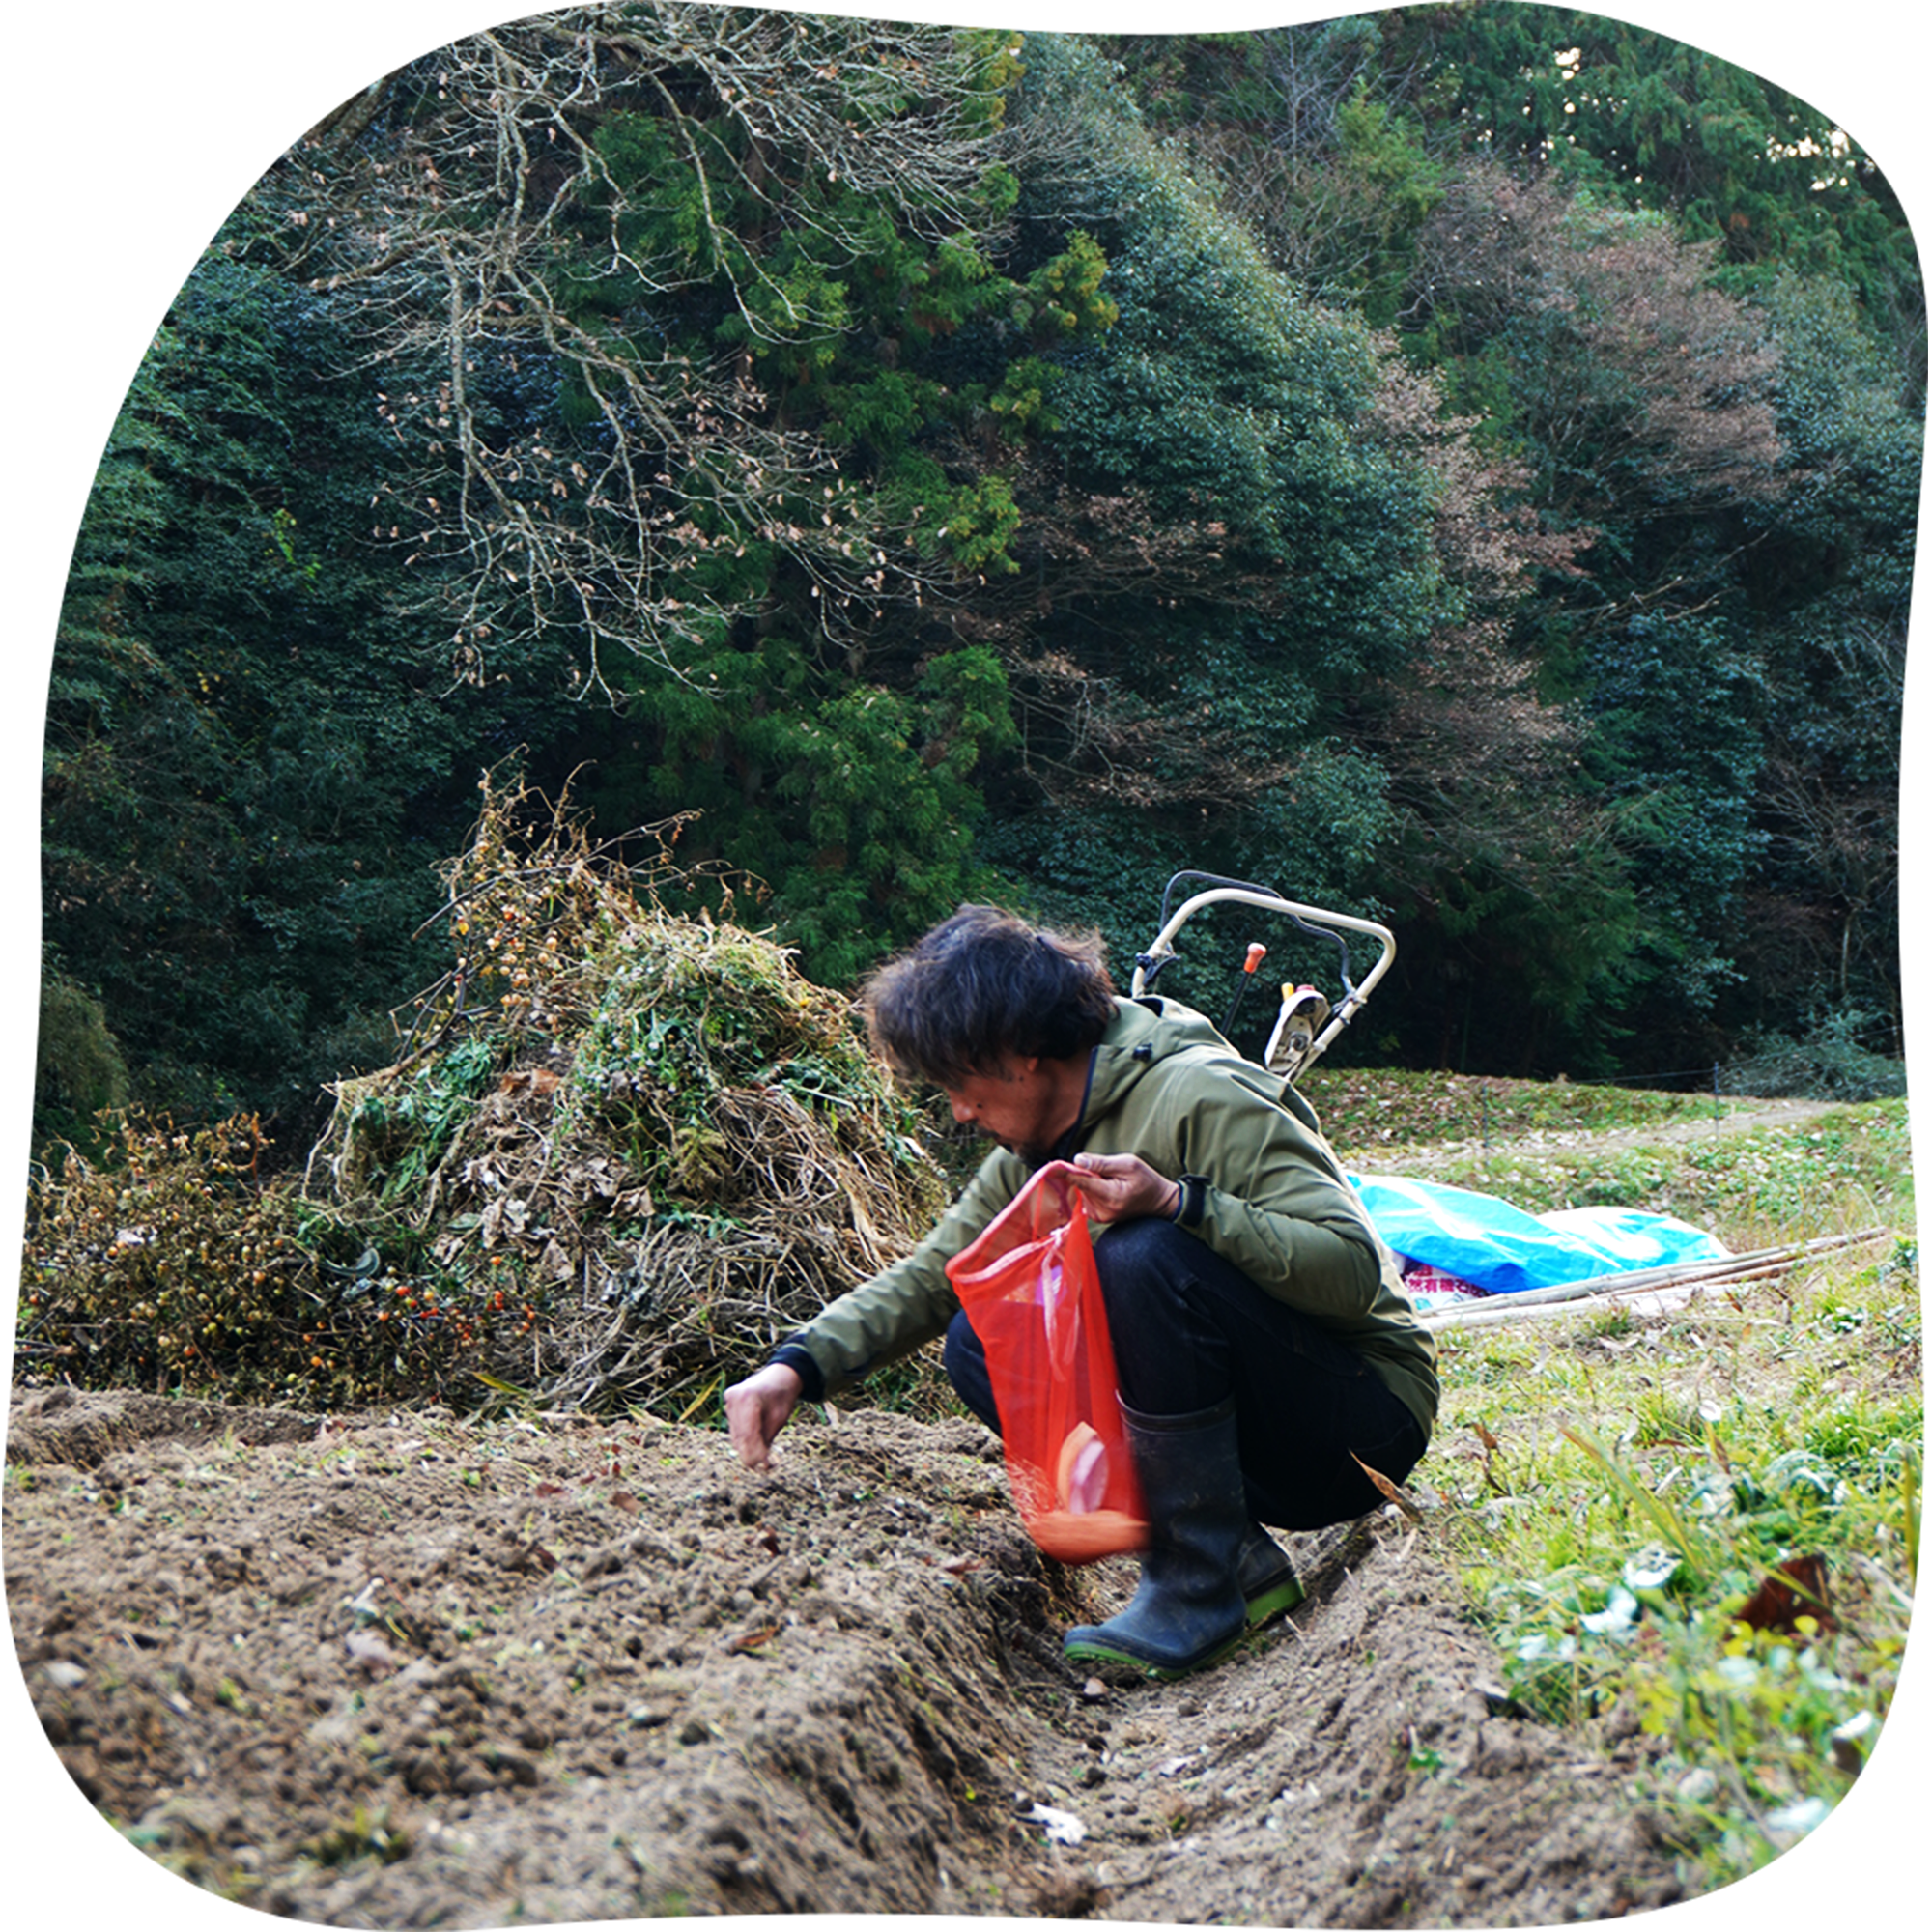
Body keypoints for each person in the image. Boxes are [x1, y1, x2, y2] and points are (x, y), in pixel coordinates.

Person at [724, 905, 1436, 1679]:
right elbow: (937, 1277)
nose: (961, 1112)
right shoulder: (1034, 1151)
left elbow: (1350, 1270)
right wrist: (798, 1365)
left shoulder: (1201, 1094)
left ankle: (1196, 1586)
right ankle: (1231, 1559)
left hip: (1359, 1424)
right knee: (981, 1333)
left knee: (1142, 1256)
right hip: (1258, 1446)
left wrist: (1180, 1203)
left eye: (962, 1085)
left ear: (1020, 1053)